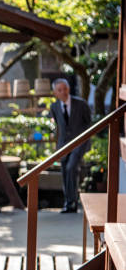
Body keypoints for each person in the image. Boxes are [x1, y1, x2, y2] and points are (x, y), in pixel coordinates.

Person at [50, 78, 91, 213]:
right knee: (64, 171)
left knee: (71, 167)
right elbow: (57, 126)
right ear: (55, 92)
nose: (63, 92)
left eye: (65, 89)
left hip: (79, 143)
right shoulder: (54, 107)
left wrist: (85, 141)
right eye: (59, 90)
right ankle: (68, 202)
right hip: (63, 145)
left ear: (69, 89)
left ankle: (73, 201)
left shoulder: (81, 104)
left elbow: (88, 123)